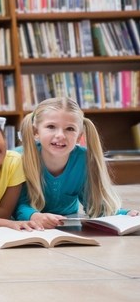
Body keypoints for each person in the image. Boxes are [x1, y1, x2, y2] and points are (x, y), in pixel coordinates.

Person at [16, 97, 138, 227]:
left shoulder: (84, 159)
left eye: (70, 129)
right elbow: (17, 205)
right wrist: (35, 216)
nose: (60, 135)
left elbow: (95, 206)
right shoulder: (19, 158)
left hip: (66, 225)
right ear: (36, 132)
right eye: (51, 127)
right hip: (28, 226)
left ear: (79, 136)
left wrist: (125, 214)